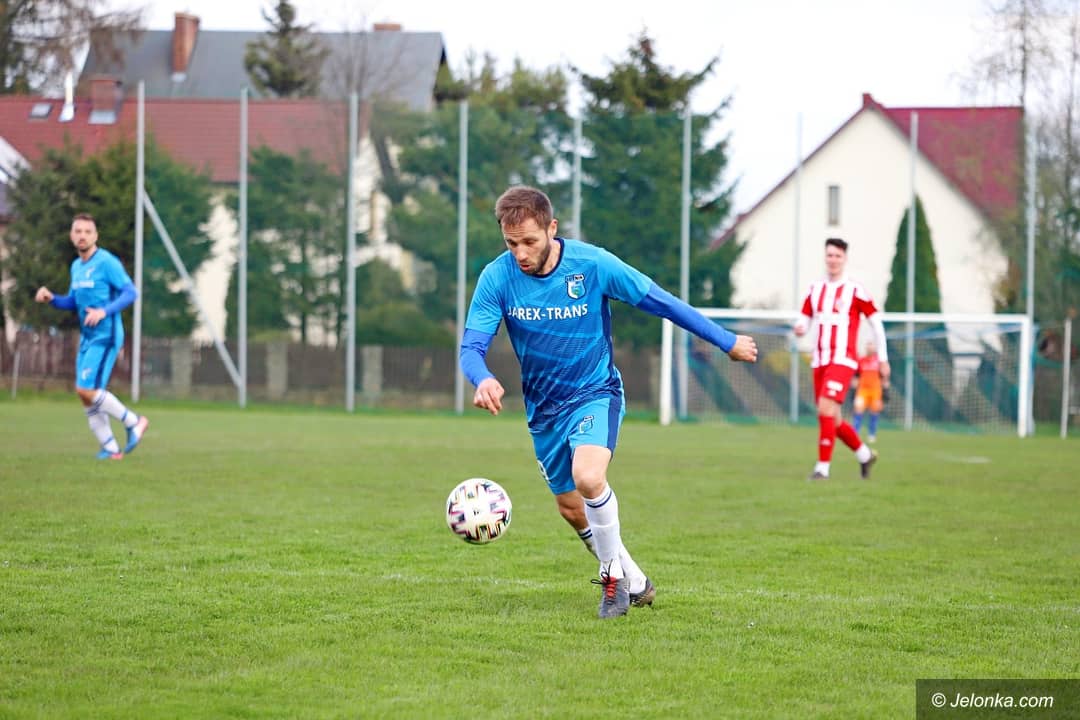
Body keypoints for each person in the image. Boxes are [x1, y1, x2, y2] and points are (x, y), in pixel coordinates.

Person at [459, 185, 758, 619]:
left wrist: (726, 340)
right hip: (543, 409)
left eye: (529, 241)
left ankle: (612, 579)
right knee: (570, 507)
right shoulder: (497, 277)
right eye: (511, 243)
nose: (520, 253)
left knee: (588, 476)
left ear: (552, 229)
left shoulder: (593, 265)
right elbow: (471, 347)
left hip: (594, 393)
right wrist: (482, 377)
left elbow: (661, 302)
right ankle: (634, 581)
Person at [35, 213, 149, 460]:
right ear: (71, 235)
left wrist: (103, 311)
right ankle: (110, 448)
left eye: (88, 231)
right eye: (78, 231)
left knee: (86, 390)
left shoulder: (106, 262)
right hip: (88, 337)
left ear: (96, 236)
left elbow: (131, 292)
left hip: (106, 335)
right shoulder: (76, 266)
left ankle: (134, 422)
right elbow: (73, 302)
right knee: (87, 395)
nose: (82, 236)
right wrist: (52, 298)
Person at [793, 237, 889, 481]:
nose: (833, 260)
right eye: (829, 255)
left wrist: (883, 358)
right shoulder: (815, 289)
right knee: (831, 419)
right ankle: (865, 455)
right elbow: (805, 317)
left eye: (837, 255)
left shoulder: (855, 290)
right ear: (825, 257)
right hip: (820, 360)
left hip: (843, 360)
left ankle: (822, 469)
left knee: (825, 409)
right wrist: (800, 327)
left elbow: (876, 324)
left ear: (844, 259)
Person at [852, 340, 888, 443]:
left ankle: (872, 434)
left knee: (874, 412)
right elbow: (856, 375)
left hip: (876, 391)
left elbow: (884, 376)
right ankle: (855, 434)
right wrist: (854, 387)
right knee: (858, 411)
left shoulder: (879, 361)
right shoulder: (861, 360)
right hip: (862, 390)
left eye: (871, 345)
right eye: (868, 345)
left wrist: (885, 389)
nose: (869, 347)